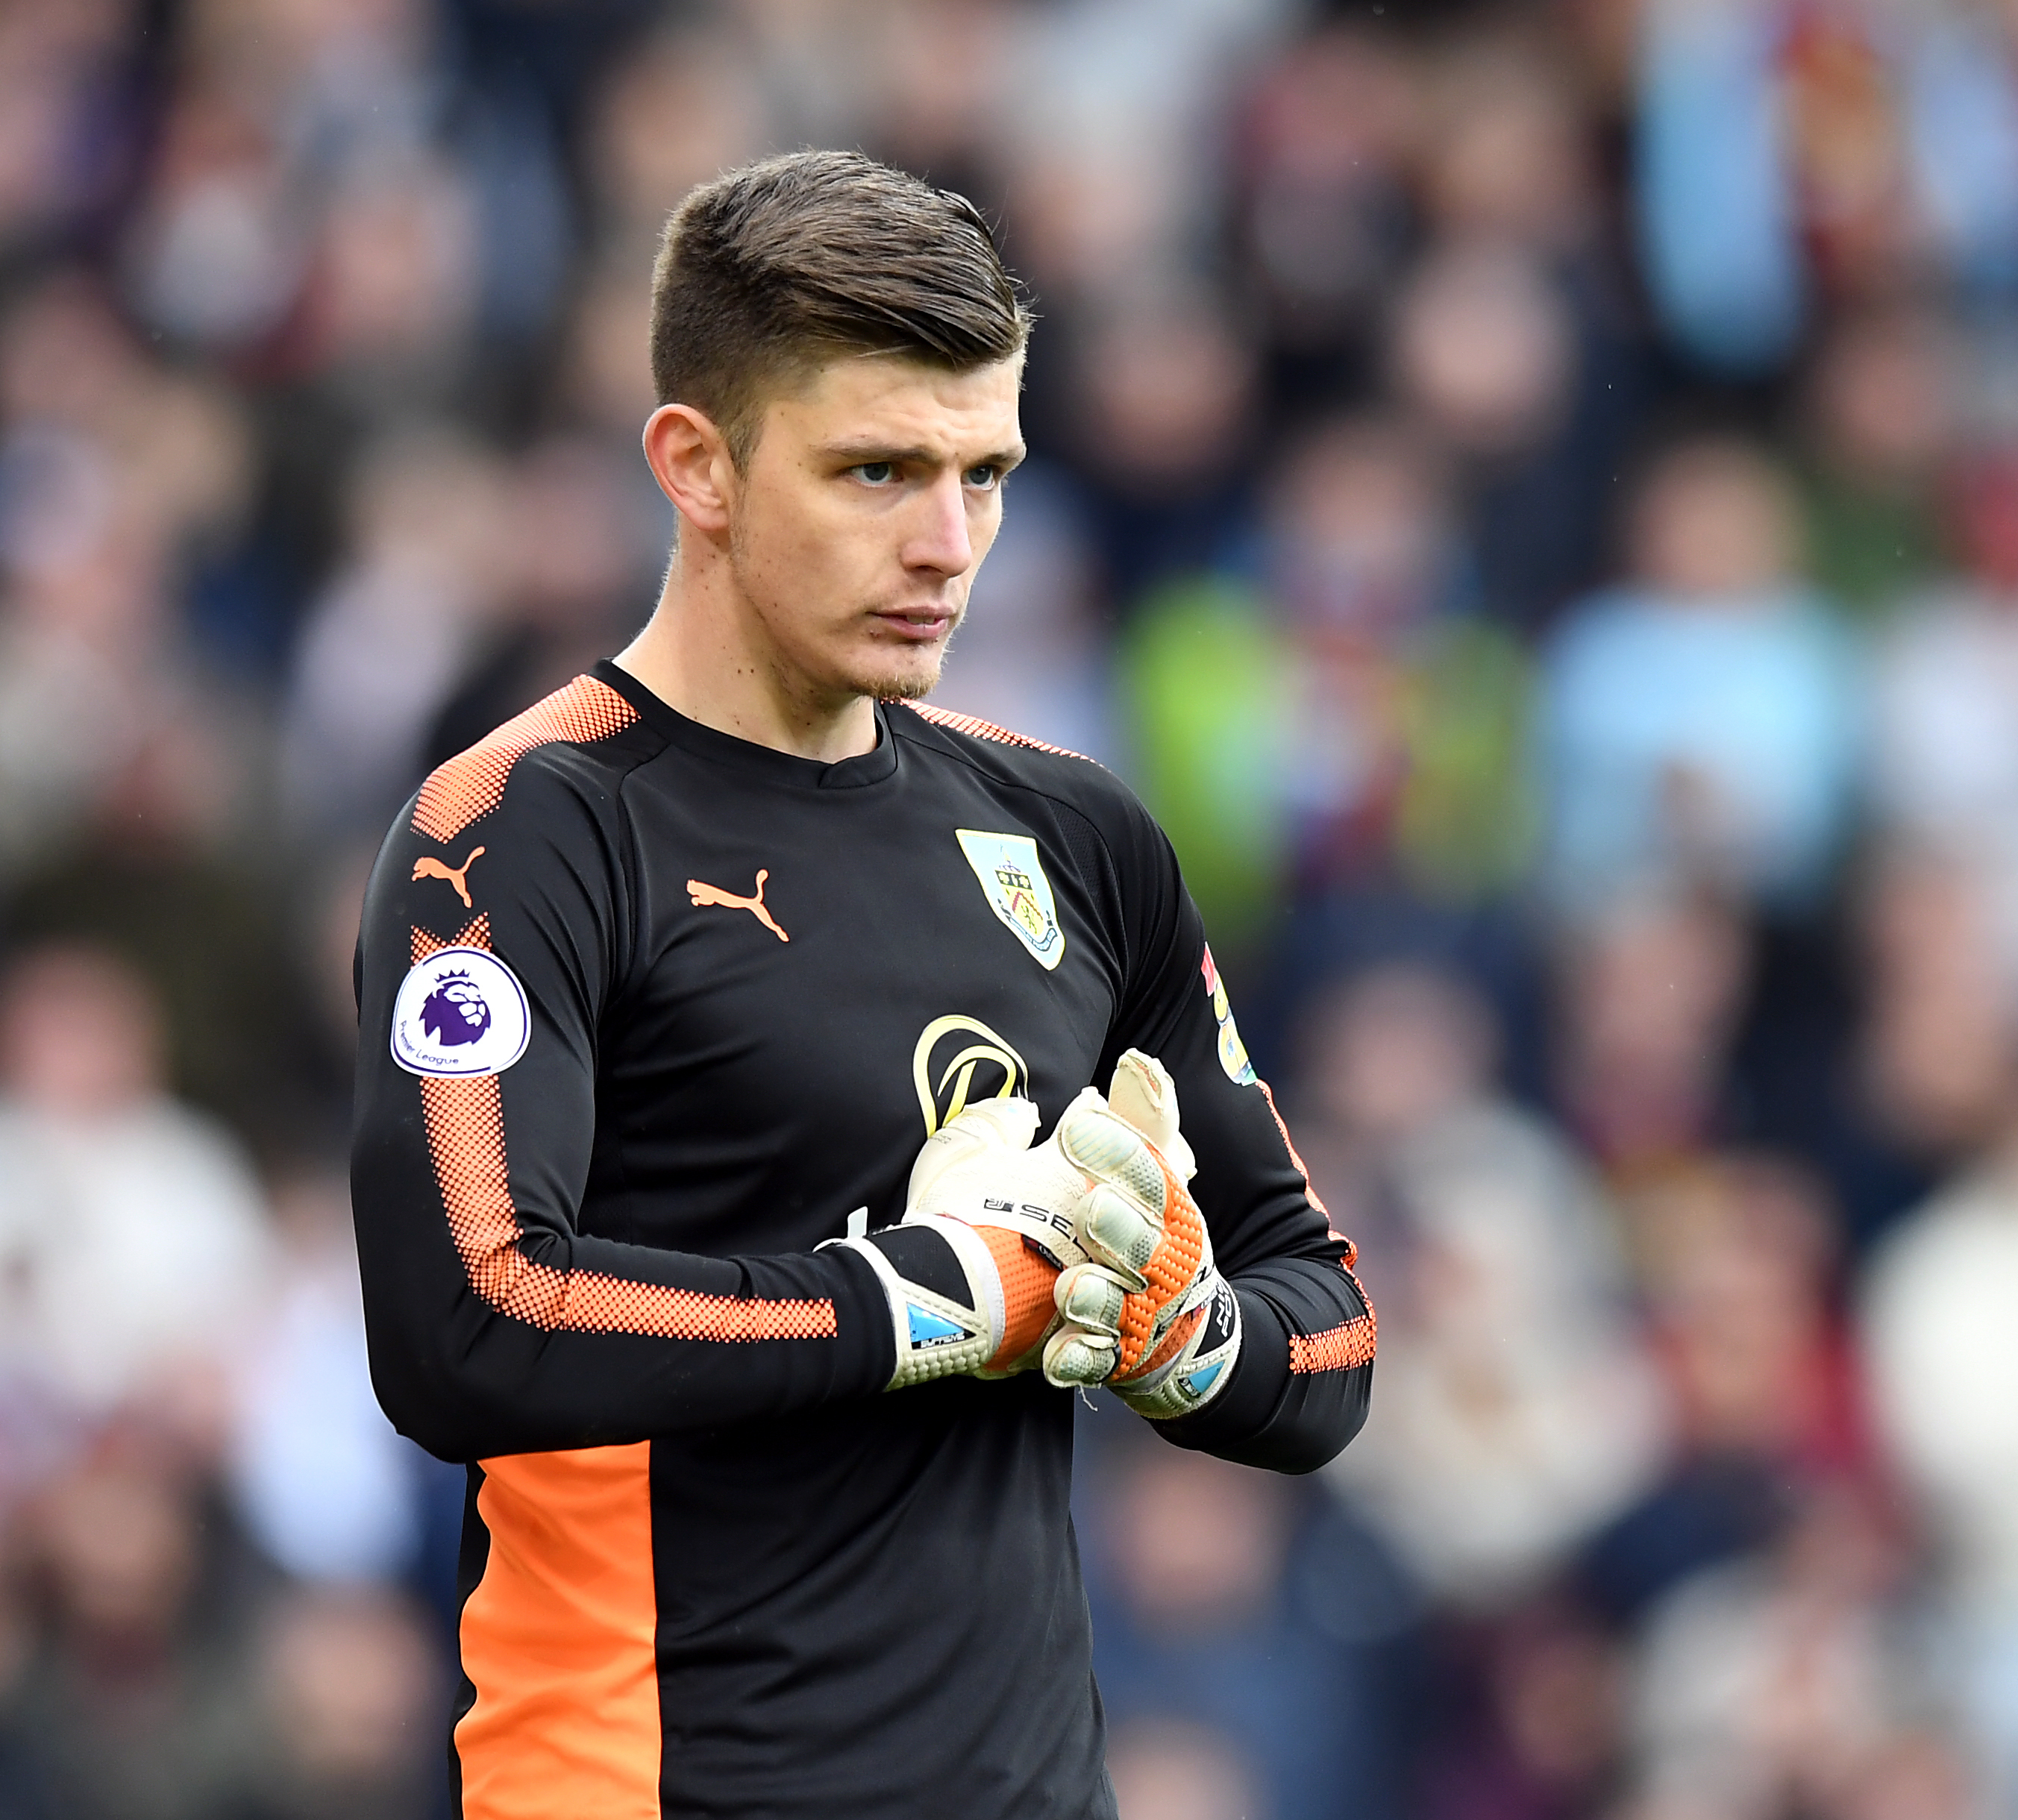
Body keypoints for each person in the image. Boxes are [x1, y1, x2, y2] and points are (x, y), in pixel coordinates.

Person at [348, 151, 1374, 1820]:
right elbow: (466, 1323)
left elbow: (1327, 1336)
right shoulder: (521, 828)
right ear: (699, 465)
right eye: (879, 470)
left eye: (987, 472)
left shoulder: (1080, 832)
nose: (949, 544)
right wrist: (921, 1299)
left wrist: (1182, 1334)